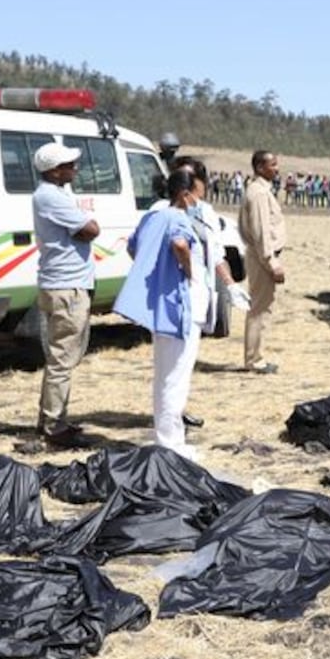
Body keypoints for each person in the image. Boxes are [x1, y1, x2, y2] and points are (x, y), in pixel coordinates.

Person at [114, 169, 205, 461]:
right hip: (178, 305)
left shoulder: (152, 217)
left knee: (164, 373)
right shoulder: (178, 218)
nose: (199, 202)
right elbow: (180, 244)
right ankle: (171, 443)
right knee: (176, 375)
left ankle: (167, 437)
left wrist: (156, 271)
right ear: (185, 195)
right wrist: (187, 271)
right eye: (198, 196)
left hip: (161, 304)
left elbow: (133, 247)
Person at [165, 157, 252, 428]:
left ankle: (178, 411)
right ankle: (169, 421)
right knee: (171, 363)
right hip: (174, 295)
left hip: (199, 296)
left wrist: (231, 285)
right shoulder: (162, 211)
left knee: (185, 360)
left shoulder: (206, 212)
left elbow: (216, 253)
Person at [31, 142, 100, 449]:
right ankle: (53, 424)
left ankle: (51, 417)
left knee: (60, 356)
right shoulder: (52, 197)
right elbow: (91, 229)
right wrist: (85, 221)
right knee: (62, 359)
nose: (75, 168)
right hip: (66, 287)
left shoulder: (52, 194)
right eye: (69, 165)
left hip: (59, 284)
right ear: (55, 171)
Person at [238, 149, 286, 374]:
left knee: (261, 308)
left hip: (260, 256)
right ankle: (254, 359)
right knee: (258, 309)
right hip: (262, 257)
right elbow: (261, 232)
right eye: (272, 164)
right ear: (259, 167)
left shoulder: (261, 190)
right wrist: (271, 262)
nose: (277, 168)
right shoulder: (258, 193)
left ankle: (256, 355)